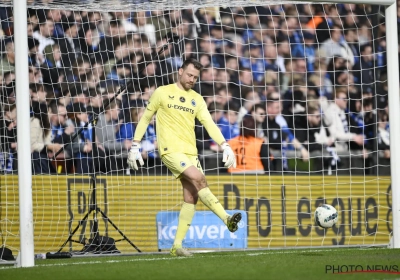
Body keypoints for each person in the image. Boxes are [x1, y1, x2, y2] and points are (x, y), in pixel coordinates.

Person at [127, 58, 241, 257]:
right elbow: (146, 117)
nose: (192, 79)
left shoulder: (197, 98)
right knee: (198, 178)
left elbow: (209, 124)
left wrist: (225, 145)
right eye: (189, 75)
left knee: (191, 196)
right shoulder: (162, 92)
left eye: (195, 77)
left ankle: (176, 246)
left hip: (190, 152)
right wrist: (135, 145)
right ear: (180, 71)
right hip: (170, 150)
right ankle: (226, 219)